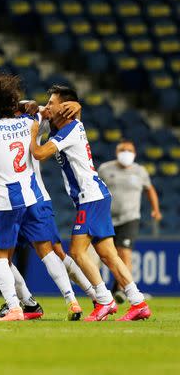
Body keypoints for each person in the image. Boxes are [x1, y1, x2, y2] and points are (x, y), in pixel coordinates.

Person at [0, 74, 82, 322]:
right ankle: (72, 301)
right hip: (34, 197)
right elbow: (48, 112)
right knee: (47, 251)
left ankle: (15, 308)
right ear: (14, 102)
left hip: (6, 201)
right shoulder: (31, 121)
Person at [30, 85, 151, 321]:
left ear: (65, 107)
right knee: (109, 255)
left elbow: (39, 154)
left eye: (53, 102)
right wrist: (58, 109)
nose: (48, 106)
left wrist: (34, 132)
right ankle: (138, 302)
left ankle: (105, 301)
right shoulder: (71, 126)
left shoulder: (70, 130)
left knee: (77, 251)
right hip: (96, 196)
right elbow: (41, 108)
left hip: (91, 198)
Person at [98, 139, 162, 302]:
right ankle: (114, 287)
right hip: (107, 218)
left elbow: (150, 190)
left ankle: (121, 290)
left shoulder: (140, 171)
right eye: (123, 150)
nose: (126, 153)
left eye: (130, 150)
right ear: (116, 152)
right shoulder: (105, 169)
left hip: (130, 218)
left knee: (125, 253)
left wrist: (155, 209)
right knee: (108, 255)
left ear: (134, 153)